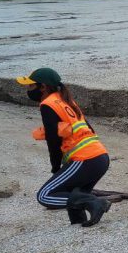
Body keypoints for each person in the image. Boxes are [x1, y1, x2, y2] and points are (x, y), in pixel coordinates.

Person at [17, 68, 111, 226]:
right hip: (100, 157)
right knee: (75, 193)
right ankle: (78, 223)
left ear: (43, 87)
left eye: (31, 86)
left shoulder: (48, 104)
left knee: (45, 196)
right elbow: (89, 129)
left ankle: (95, 203)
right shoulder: (66, 100)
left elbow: (53, 140)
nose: (28, 90)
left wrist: (56, 168)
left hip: (86, 160)